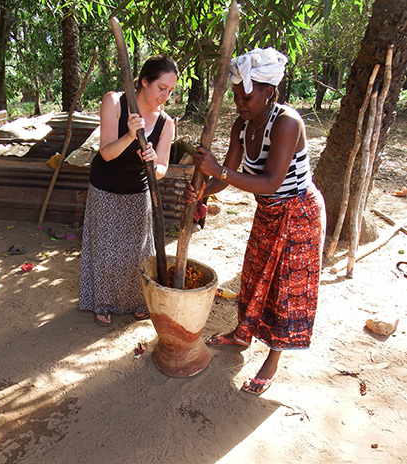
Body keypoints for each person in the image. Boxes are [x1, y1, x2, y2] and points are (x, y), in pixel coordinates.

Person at [185, 47, 326, 395]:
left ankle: (272, 360)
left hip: (298, 213)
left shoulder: (287, 123)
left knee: (286, 290)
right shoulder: (241, 124)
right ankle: (241, 333)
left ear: (269, 91)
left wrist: (219, 170)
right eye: (236, 95)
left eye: (246, 96)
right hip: (268, 213)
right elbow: (226, 178)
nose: (240, 102)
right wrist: (203, 191)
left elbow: (270, 182)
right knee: (253, 274)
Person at [79, 55, 178, 325]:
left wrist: (154, 162)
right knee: (105, 252)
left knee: (137, 252)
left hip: (138, 191)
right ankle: (103, 302)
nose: (165, 95)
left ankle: (136, 300)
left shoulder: (166, 123)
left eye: (170, 90)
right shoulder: (114, 102)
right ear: (145, 82)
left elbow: (162, 169)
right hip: (105, 188)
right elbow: (107, 153)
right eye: (161, 88)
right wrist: (131, 136)